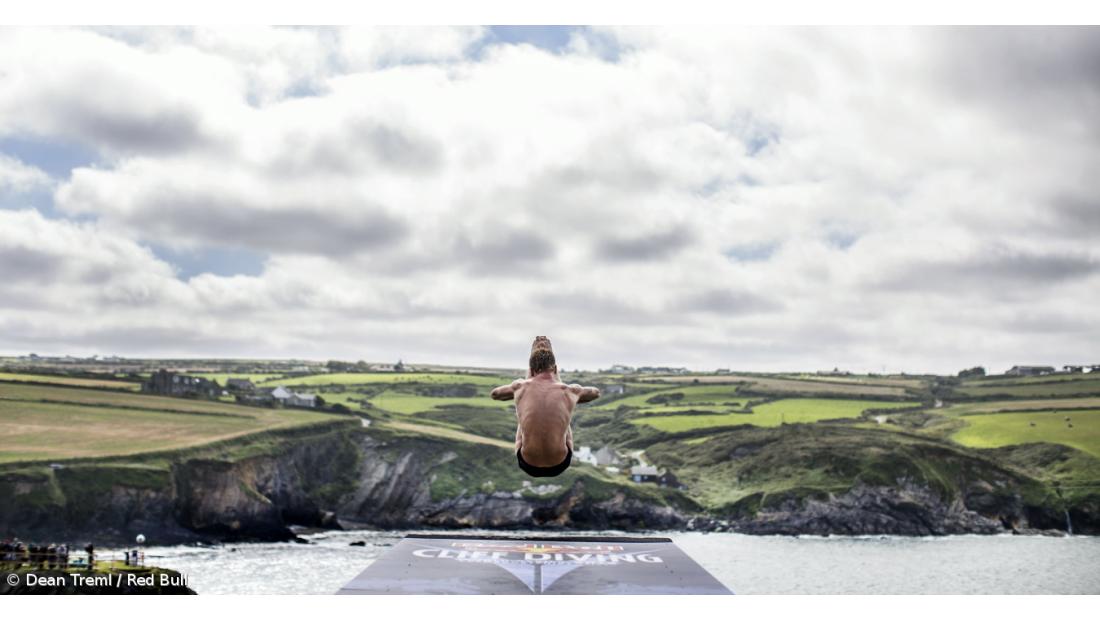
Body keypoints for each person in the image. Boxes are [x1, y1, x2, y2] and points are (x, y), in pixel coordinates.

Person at [491, 336, 600, 477]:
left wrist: (525, 383)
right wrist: (563, 388)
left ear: (531, 369)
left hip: (527, 463)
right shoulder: (570, 391)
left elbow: (495, 394)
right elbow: (595, 393)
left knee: (522, 412)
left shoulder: (520, 387)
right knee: (565, 411)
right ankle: (557, 388)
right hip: (560, 463)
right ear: (555, 369)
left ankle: (532, 383)